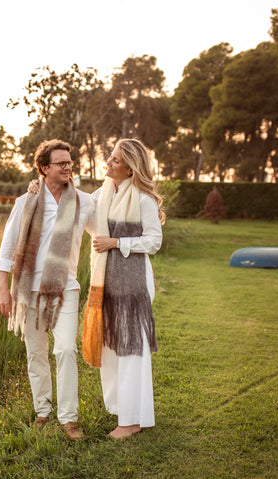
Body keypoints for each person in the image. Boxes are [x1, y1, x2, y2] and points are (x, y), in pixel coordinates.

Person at [0, 139, 95, 442]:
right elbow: (7, 247)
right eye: (61, 163)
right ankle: (43, 411)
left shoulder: (84, 201)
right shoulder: (25, 201)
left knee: (65, 349)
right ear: (44, 168)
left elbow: (102, 231)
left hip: (66, 288)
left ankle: (68, 417)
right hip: (28, 290)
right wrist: (3, 289)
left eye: (70, 162)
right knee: (35, 354)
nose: (68, 167)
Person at [85, 138, 164, 440]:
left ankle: (131, 422)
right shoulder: (101, 194)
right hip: (108, 283)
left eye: (115, 160)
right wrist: (42, 188)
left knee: (131, 351)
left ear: (130, 168)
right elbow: (82, 212)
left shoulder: (143, 199)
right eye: (111, 157)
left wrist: (117, 242)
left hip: (134, 286)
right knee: (112, 348)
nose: (108, 162)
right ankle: (122, 409)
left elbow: (154, 241)